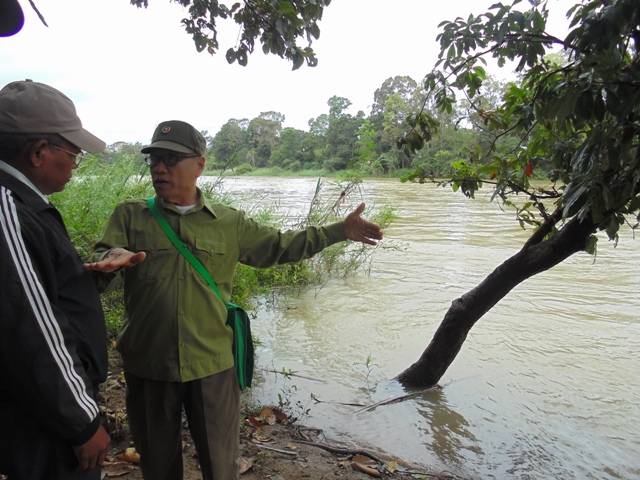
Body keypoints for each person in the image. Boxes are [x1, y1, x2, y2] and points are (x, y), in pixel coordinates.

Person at [84, 119, 384, 480]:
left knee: (219, 465)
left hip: (212, 364)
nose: (159, 167)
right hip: (149, 364)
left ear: (199, 165)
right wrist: (108, 262)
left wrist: (339, 231)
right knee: (157, 466)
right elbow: (105, 257)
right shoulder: (131, 215)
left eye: (170, 159)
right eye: (154, 160)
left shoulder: (228, 221)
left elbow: (280, 246)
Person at [0, 79, 113, 479]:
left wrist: (80, 277)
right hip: (43, 423)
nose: (74, 165)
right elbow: (31, 330)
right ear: (38, 152)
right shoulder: (9, 209)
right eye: (73, 154)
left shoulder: (25, 205)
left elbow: (33, 289)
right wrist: (82, 422)